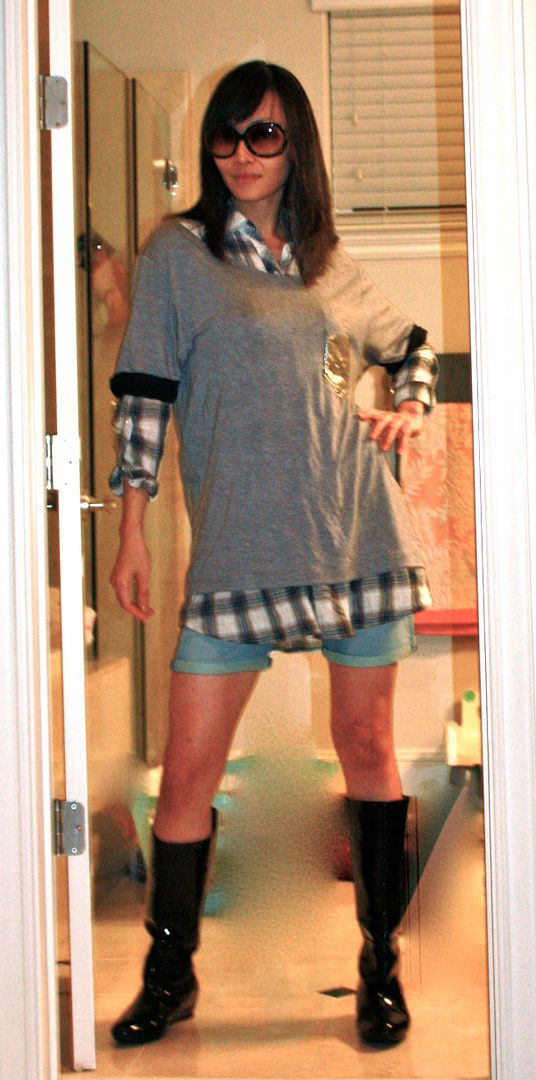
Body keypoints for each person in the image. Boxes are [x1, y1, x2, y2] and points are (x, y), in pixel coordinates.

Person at [108, 60, 438, 1050]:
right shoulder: (177, 254)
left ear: (295, 147)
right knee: (186, 776)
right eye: (226, 134)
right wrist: (130, 529)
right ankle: (170, 974)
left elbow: (410, 345)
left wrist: (410, 407)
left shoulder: (329, 263)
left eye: (263, 135)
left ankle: (378, 966)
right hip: (236, 549)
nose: (241, 154)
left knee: (368, 754)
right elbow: (144, 395)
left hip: (354, 534)